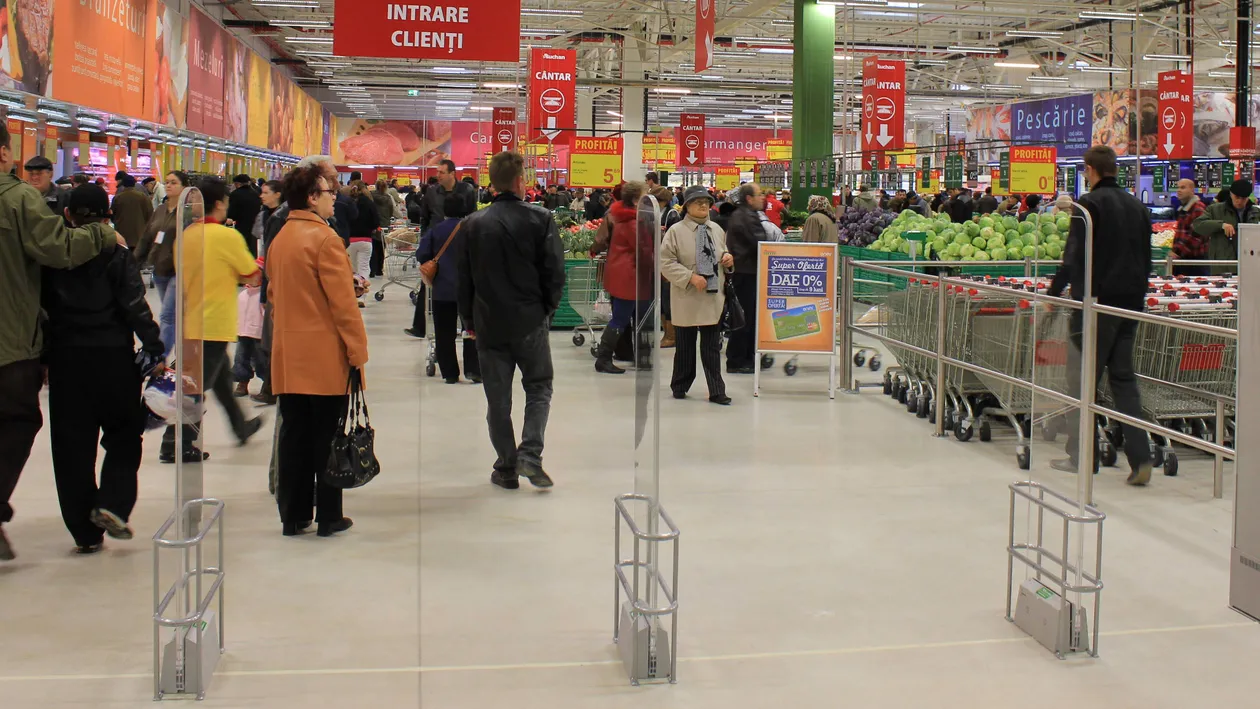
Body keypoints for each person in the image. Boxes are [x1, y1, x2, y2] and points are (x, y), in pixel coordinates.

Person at [0, 129, 121, 561]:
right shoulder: (18, 199)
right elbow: (58, 249)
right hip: (10, 339)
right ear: (5, 152)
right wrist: (102, 235)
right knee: (16, 419)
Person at [41, 184, 164, 554]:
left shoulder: (52, 253)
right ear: (107, 215)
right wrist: (154, 346)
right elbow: (133, 303)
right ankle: (111, 502)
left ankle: (84, 531)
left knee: (71, 446)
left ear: (68, 215)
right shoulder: (116, 250)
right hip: (112, 357)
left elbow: (41, 309)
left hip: (66, 360)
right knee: (125, 435)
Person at [267, 164, 366, 537]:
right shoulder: (325, 241)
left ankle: (292, 515)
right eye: (328, 193)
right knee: (328, 435)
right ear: (312, 196)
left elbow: (274, 295)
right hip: (324, 353)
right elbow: (342, 305)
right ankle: (328, 514)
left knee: (293, 434)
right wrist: (357, 351)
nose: (334, 199)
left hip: (288, 352)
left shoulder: (281, 239)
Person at [456, 151, 563, 490]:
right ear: (521, 182)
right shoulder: (540, 219)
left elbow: (464, 280)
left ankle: (505, 466)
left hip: (489, 322)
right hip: (530, 319)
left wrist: (468, 321)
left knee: (497, 400)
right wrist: (546, 308)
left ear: (492, 183)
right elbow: (554, 272)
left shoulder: (472, 224)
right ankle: (530, 454)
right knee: (539, 387)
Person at [1047, 145, 1153, 485]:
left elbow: (1073, 256)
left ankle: (1082, 457)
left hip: (1095, 303)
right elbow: (1146, 256)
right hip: (1131, 302)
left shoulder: (1087, 206)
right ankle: (1140, 458)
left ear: (1089, 170)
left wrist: (1054, 293)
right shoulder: (1138, 206)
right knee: (1123, 379)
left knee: (1082, 381)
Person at [162, 177, 266, 463]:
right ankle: (175, 442)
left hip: (191, 319)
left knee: (219, 378)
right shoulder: (227, 236)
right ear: (219, 203)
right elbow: (250, 272)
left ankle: (240, 426)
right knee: (194, 388)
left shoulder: (186, 236)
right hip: (215, 322)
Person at [660, 185, 734, 404]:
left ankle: (716, 390)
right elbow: (665, 263)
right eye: (698, 202)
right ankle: (680, 385)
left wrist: (728, 259)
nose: (704, 205)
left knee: (712, 347)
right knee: (685, 346)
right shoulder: (676, 231)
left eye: (707, 202)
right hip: (687, 297)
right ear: (687, 206)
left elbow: (723, 253)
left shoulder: (717, 230)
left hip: (712, 298)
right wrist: (690, 277)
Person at [416, 187, 480, 384]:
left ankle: (450, 373)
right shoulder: (474, 229)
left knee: (444, 333)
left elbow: (422, 255)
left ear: (445, 210)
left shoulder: (436, 230)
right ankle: (473, 370)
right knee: (471, 330)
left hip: (442, 290)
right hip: (470, 291)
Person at [594, 181, 653, 375]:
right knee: (621, 318)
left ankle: (635, 358)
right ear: (637, 199)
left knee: (626, 317)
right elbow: (643, 252)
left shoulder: (618, 216)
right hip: (631, 276)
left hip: (620, 272)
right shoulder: (633, 222)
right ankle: (604, 359)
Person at [407, 159, 468, 338]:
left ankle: (466, 328)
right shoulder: (432, 193)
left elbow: (473, 214)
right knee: (429, 282)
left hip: (460, 244)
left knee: (462, 286)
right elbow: (424, 217)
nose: (438, 175)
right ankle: (420, 326)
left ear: (452, 173)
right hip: (436, 245)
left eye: (441, 172)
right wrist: (427, 238)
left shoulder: (466, 190)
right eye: (437, 172)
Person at [135, 171, 190, 357]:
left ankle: (160, 358)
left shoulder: (189, 212)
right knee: (174, 316)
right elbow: (147, 236)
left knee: (167, 315)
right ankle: (182, 353)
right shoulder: (159, 209)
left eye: (174, 182)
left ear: (184, 187)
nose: (168, 185)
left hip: (180, 270)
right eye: (167, 182)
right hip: (159, 268)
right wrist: (135, 261)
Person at [724, 183, 765, 374]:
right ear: (749, 198)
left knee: (743, 316)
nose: (762, 197)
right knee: (745, 317)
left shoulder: (739, 215)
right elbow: (759, 243)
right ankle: (739, 359)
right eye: (759, 194)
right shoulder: (747, 217)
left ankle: (745, 356)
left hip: (742, 271)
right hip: (747, 273)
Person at [1193, 179, 1258, 276]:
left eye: (1243, 198)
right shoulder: (1215, 209)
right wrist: (1221, 225)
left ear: (1248, 197)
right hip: (1223, 266)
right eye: (1237, 197)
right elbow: (1198, 225)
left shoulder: (1256, 212)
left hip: (1250, 264)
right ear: (1231, 194)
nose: (1239, 201)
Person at [233, 258, 267, 397]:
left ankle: (268, 384)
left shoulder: (263, 296)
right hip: (243, 333)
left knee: (261, 361)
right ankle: (242, 381)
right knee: (240, 358)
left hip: (258, 334)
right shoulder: (242, 295)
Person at [345, 180, 379, 307]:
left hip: (350, 241)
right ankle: (361, 297)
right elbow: (376, 221)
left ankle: (353, 295)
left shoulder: (347, 202)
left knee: (353, 270)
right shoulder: (369, 203)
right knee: (364, 268)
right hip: (365, 240)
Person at [1169, 179, 1208, 276]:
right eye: (1178, 187)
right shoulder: (1184, 208)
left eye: (1183, 187)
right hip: (1184, 259)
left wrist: (1178, 252)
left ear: (1192, 190)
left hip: (1193, 262)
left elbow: (1196, 235)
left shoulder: (1197, 208)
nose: (1179, 190)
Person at [110, 173, 154, 249]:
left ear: (123, 184)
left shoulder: (118, 197)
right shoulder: (143, 197)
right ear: (134, 183)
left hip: (122, 233)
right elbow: (150, 214)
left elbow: (113, 214)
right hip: (139, 233)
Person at [227, 174, 262, 256]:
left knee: (241, 246)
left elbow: (232, 212)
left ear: (237, 184)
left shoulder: (235, 194)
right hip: (254, 225)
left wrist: (230, 218)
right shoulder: (256, 194)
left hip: (241, 225)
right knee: (252, 247)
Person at [370, 180, 395, 277]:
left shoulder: (371, 196)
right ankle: (379, 270)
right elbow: (391, 211)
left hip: (374, 223)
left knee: (374, 247)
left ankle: (373, 269)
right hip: (384, 224)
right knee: (382, 247)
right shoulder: (388, 198)